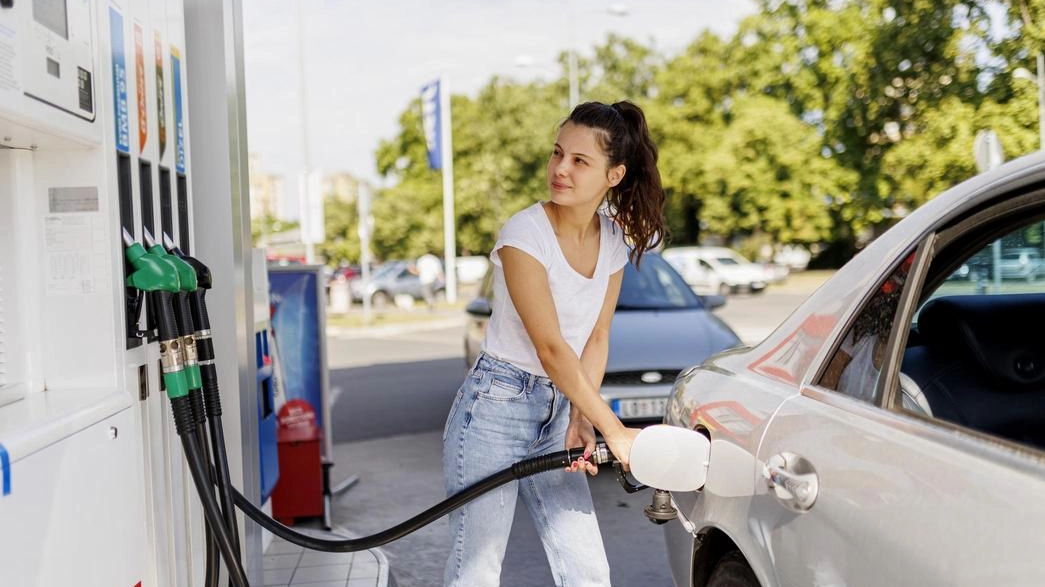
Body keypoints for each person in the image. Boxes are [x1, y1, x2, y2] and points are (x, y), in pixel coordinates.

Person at [441, 101, 666, 586]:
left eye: (580, 161)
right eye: (557, 153)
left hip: (559, 412)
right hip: (494, 409)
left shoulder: (613, 241)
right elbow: (551, 347)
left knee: (586, 570)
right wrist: (617, 431)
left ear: (614, 173)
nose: (560, 169)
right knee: (475, 571)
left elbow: (597, 337)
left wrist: (582, 418)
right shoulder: (525, 234)